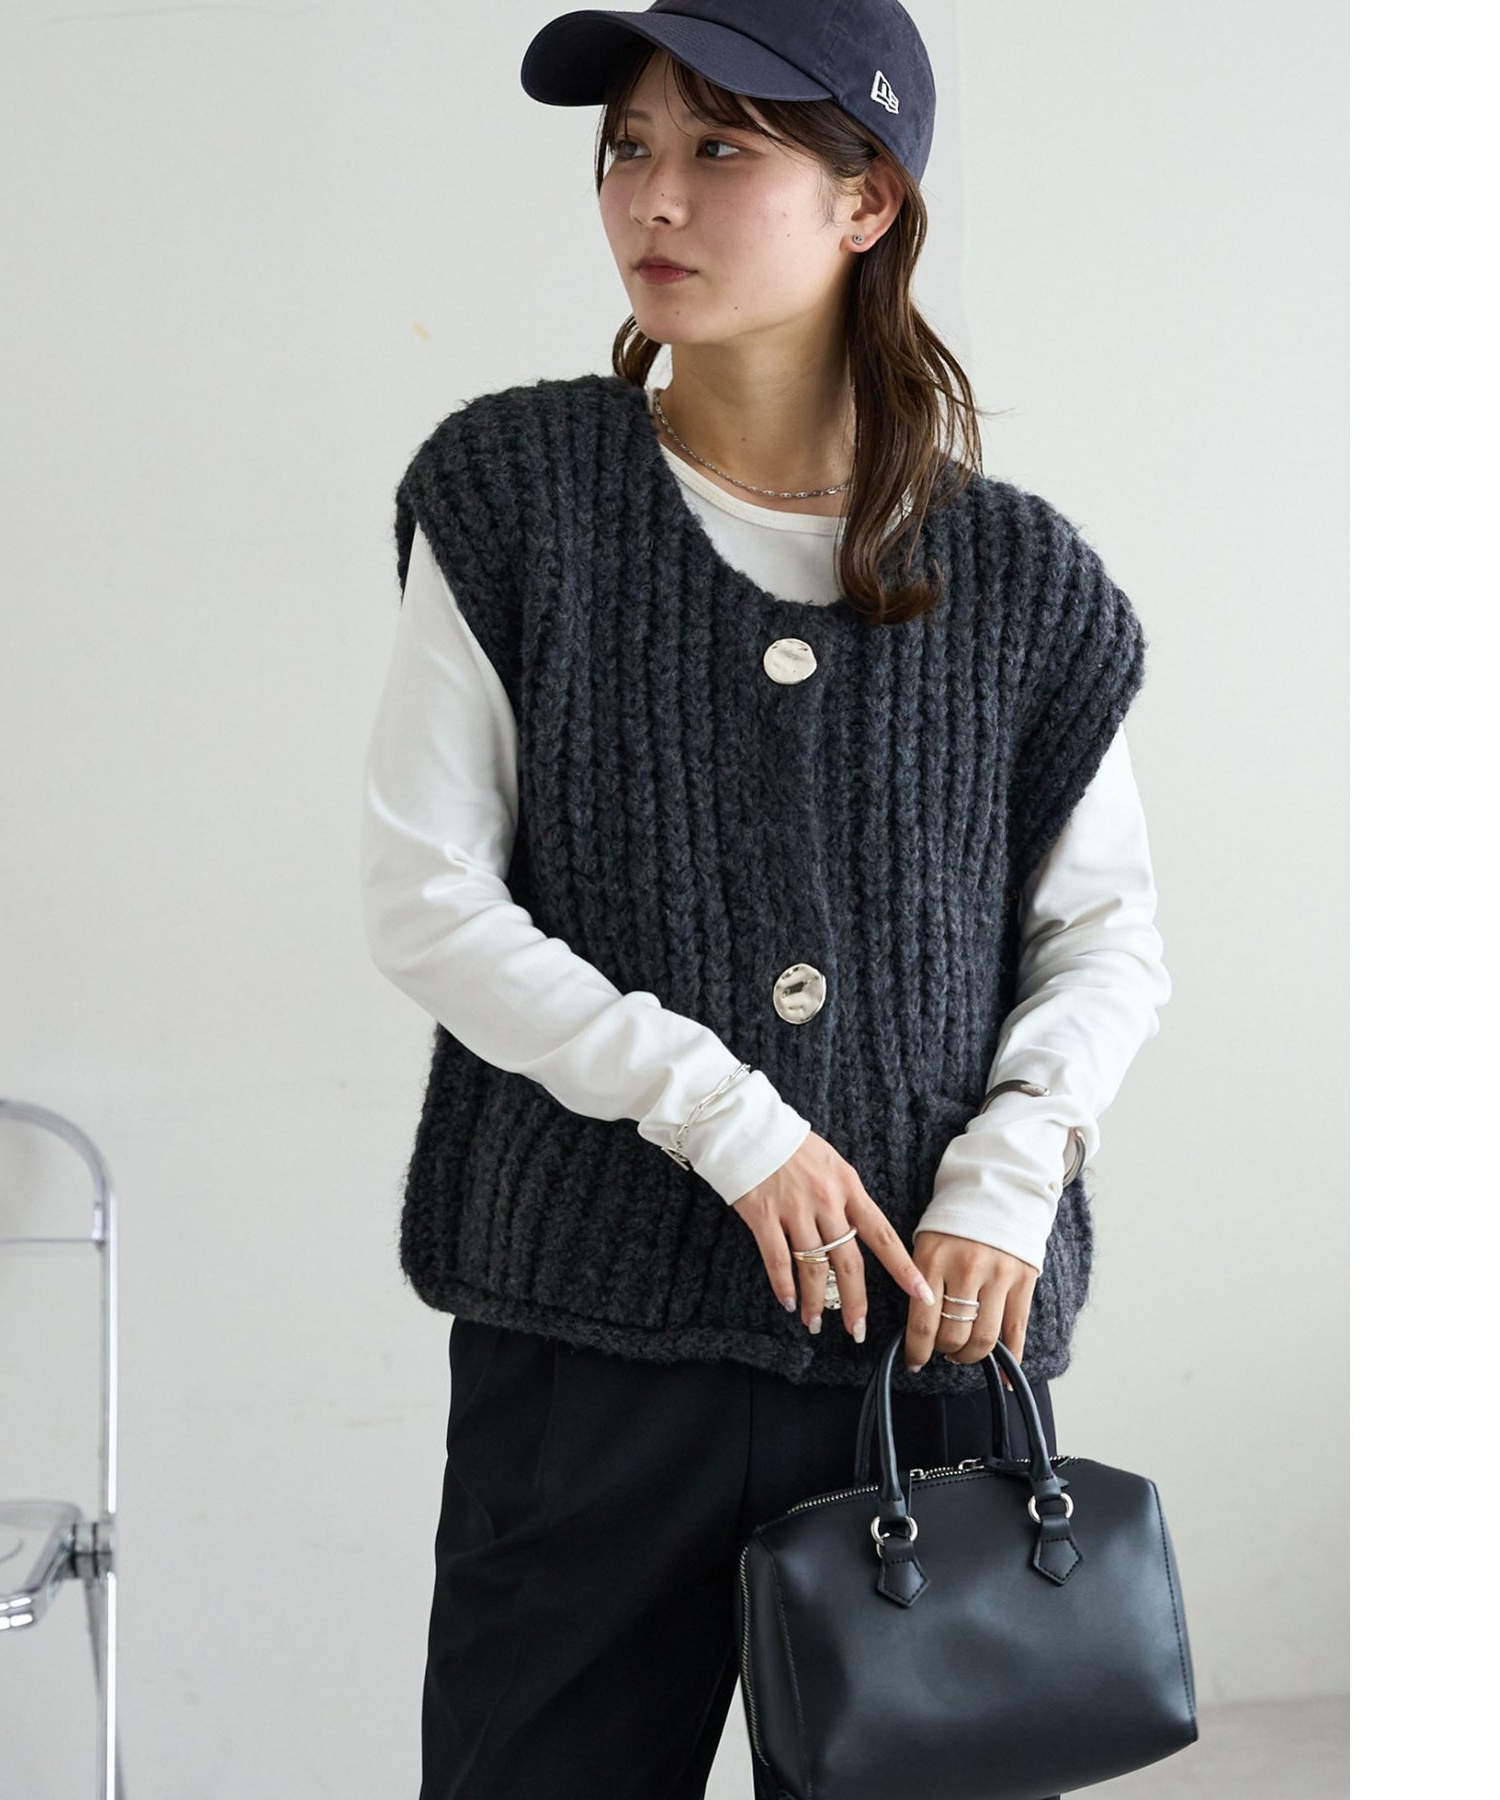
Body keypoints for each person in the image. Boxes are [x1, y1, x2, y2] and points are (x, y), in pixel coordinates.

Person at [360, 4, 1171, 1795]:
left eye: (719, 149)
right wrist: (728, 1121)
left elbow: (1106, 941)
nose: (651, 198)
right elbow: (427, 895)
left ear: (868, 199)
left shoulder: (1021, 578)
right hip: (594, 1335)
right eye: (627, 149)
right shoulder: (517, 496)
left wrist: (1010, 1180)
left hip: (926, 1342)